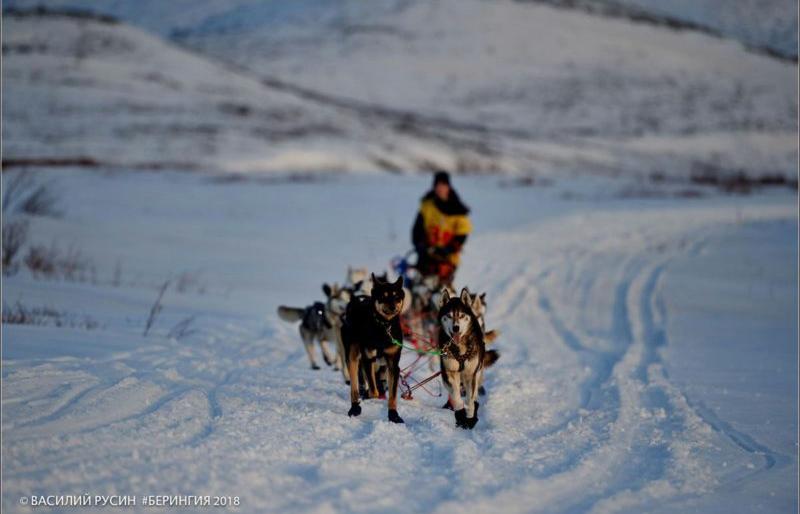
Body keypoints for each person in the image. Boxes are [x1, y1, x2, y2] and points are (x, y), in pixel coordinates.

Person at [411, 171, 471, 285]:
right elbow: (417, 230)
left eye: (443, 185)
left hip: (447, 259)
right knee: (419, 288)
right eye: (437, 185)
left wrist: (448, 250)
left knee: (441, 293)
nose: (440, 188)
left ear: (448, 187)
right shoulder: (427, 206)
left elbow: (462, 235)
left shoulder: (458, 209)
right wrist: (420, 245)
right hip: (426, 256)